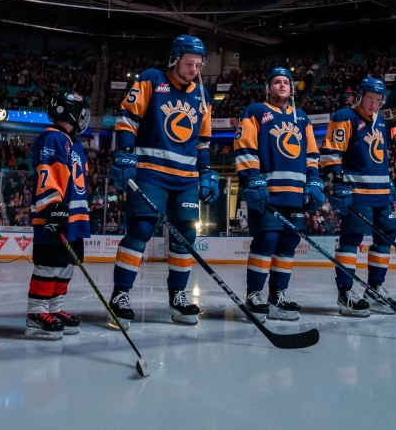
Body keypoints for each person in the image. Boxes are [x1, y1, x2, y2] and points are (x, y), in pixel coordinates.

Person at [107, 35, 219, 328]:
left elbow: (203, 143)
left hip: (185, 180)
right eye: (189, 63)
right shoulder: (151, 79)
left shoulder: (202, 95)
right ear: (175, 58)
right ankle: (120, 295)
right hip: (150, 173)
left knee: (186, 236)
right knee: (141, 229)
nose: (194, 69)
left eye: (198, 64)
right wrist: (125, 152)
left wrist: (206, 172)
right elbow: (128, 119)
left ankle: (178, 296)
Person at [234, 67, 323, 322]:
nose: (282, 86)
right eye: (276, 82)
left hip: (295, 196)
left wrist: (314, 182)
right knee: (266, 242)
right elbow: (245, 147)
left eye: (286, 82)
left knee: (288, 245)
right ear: (268, 88)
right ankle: (254, 294)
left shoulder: (302, 118)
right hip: (268, 193)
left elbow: (312, 156)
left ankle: (278, 294)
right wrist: (252, 179)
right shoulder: (256, 111)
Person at [320, 76, 396, 317]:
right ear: (359, 96)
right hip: (357, 192)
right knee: (352, 238)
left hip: (381, 193)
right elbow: (331, 153)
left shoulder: (380, 120)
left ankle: (374, 288)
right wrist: (338, 182)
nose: (374, 104)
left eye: (378, 100)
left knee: (386, 237)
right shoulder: (345, 116)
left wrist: (390, 182)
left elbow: (380, 157)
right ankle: (346, 292)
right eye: (370, 99)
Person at [25, 91, 90, 340]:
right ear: (69, 112)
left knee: (65, 266)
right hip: (55, 216)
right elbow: (48, 173)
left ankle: (54, 308)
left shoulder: (74, 143)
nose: (84, 118)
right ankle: (36, 314)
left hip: (74, 218)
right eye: (81, 112)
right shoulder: (52, 138)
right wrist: (54, 208)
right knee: (49, 265)